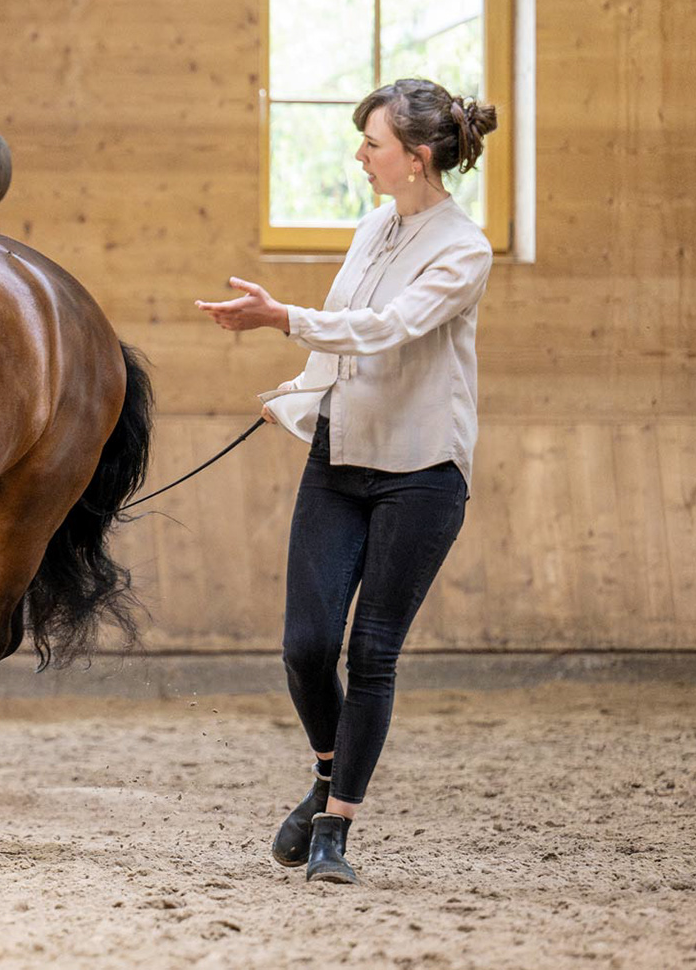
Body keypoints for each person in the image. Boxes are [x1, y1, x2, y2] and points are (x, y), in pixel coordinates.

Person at [195, 78, 498, 885]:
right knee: (305, 648)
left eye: (373, 144)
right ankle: (329, 772)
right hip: (340, 457)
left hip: (422, 472)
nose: (360, 156)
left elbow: (386, 330)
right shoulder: (371, 227)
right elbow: (344, 343)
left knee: (371, 653)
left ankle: (334, 829)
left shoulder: (464, 250)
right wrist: (297, 396)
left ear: (417, 157)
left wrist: (282, 317)